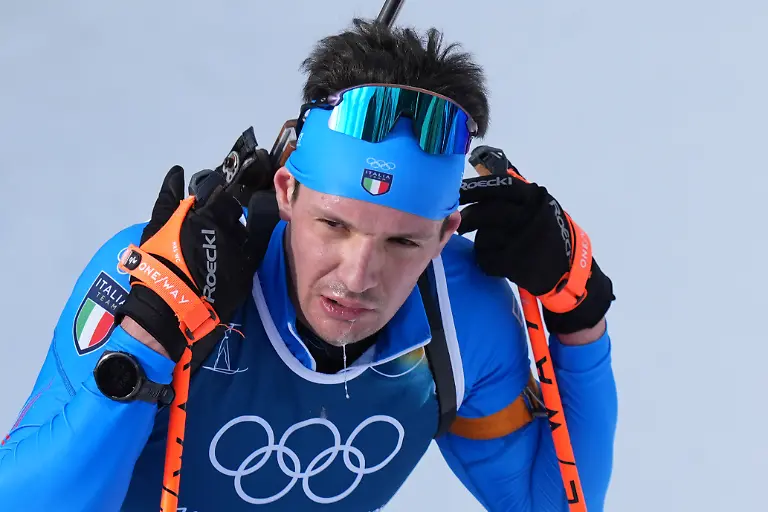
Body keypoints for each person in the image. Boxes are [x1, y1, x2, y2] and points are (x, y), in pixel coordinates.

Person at [0, 18, 618, 512]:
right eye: (334, 225)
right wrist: (147, 335)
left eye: (403, 243)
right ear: (287, 192)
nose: (357, 276)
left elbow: (550, 502)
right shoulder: (160, 274)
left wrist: (581, 319)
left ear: (444, 234)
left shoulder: (460, 314)